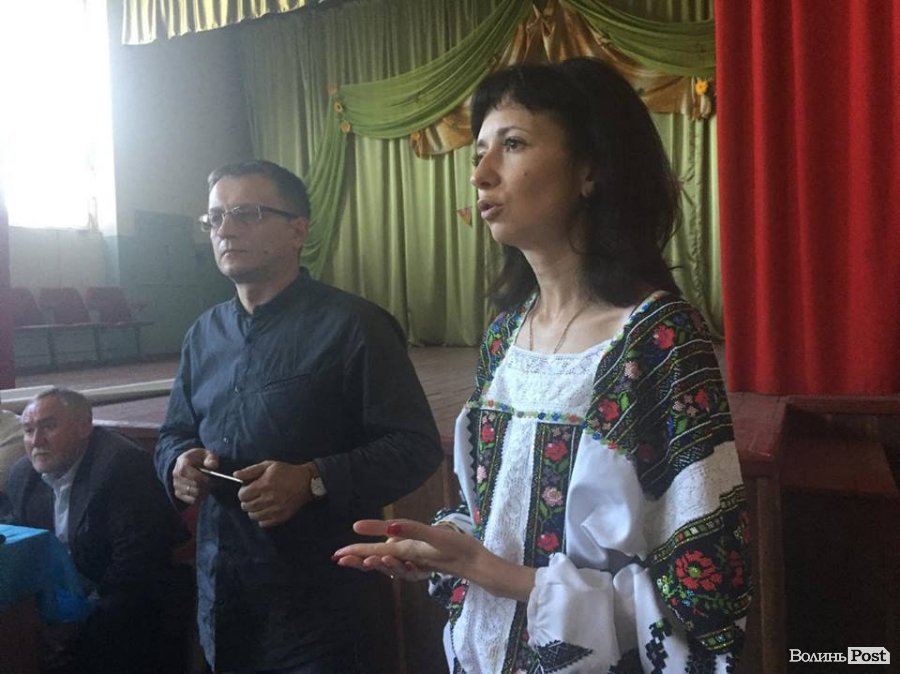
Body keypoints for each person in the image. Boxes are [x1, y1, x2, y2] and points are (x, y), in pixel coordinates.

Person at [333, 59, 752, 673]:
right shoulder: (506, 336)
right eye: (478, 151)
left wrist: (494, 572)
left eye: (513, 144)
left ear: (591, 168)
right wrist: (443, 547)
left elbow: (703, 583)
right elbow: (490, 514)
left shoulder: (657, 339)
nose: (480, 174)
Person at [155, 159, 443, 673]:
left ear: (298, 231)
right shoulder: (204, 333)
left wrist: (313, 479)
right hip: (224, 596)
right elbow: (174, 432)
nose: (226, 229)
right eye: (215, 218)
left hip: (324, 605)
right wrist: (178, 462)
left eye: (246, 213)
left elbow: (413, 445)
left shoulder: (355, 325)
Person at [5, 387, 189, 674]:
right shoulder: (22, 475)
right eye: (28, 431)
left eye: (48, 427)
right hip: (65, 598)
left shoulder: (122, 466)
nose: (36, 441)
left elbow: (135, 563)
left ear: (83, 427)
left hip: (123, 597)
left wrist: (81, 620)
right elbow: (24, 551)